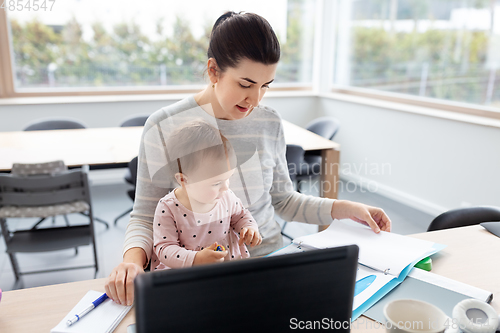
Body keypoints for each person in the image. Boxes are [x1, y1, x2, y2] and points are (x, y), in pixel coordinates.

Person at [105, 11, 391, 306]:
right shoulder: (164, 126)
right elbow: (144, 215)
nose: (255, 100)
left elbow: (284, 201)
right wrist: (133, 262)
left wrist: (346, 207)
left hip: (265, 262)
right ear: (214, 71)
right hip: (193, 273)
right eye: (245, 84)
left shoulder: (269, 122)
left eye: (265, 86)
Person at [151, 119, 261, 271]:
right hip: (187, 276)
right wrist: (196, 259)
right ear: (183, 180)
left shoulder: (226, 196)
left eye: (227, 179)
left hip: (230, 269)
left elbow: (241, 216)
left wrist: (249, 227)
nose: (225, 187)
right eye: (216, 183)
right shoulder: (168, 208)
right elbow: (164, 249)